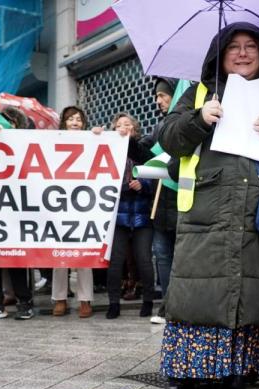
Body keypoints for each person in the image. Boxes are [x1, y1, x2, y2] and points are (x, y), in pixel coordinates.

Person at [157, 22, 259, 389]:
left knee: (252, 289)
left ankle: (238, 371)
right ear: (220, 53)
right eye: (234, 46)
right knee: (196, 290)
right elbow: (169, 138)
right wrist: (199, 119)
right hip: (206, 209)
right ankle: (184, 370)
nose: (243, 53)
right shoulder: (199, 92)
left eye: (251, 46)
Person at [0, 106, 36, 321]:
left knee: (16, 259)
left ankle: (24, 302)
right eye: (2, 121)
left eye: (10, 122)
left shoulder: (25, 142)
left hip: (15, 210)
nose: (5, 126)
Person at [106, 112, 154, 320]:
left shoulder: (143, 152)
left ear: (134, 129)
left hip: (142, 216)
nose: (123, 128)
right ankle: (113, 303)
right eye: (119, 125)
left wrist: (143, 185)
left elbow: (155, 177)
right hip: (118, 217)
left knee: (144, 260)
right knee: (116, 261)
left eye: (127, 124)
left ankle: (148, 301)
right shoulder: (108, 151)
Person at [51, 106, 95, 318]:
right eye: (70, 119)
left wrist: (98, 136)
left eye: (78, 119)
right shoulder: (52, 142)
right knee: (58, 255)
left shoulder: (91, 141)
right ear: (64, 123)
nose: (75, 122)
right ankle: (60, 299)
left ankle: (85, 300)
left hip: (84, 204)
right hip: (59, 205)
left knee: (84, 255)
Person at [142, 78, 179, 325]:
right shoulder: (159, 127)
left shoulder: (185, 124)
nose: (158, 101)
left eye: (163, 95)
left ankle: (180, 307)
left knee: (180, 258)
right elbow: (143, 151)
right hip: (159, 205)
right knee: (163, 257)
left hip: (181, 202)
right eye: (157, 96)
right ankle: (166, 306)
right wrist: (125, 139)